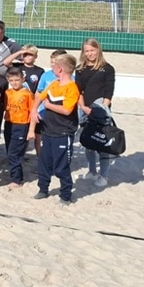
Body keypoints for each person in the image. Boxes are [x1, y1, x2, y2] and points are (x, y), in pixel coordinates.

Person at [28, 53, 80, 205]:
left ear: (60, 69)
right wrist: (34, 110)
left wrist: (49, 105)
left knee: (61, 165)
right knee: (44, 162)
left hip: (63, 132)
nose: (52, 68)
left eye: (55, 66)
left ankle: (65, 195)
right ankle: (43, 189)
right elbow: (39, 96)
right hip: (48, 129)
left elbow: (66, 110)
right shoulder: (54, 84)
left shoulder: (71, 87)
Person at [76, 38, 116, 188]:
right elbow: (78, 91)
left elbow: (108, 93)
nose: (90, 53)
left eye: (92, 50)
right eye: (87, 51)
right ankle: (92, 171)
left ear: (98, 50)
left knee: (102, 143)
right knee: (88, 142)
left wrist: (101, 110)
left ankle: (104, 175)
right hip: (85, 108)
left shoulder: (107, 68)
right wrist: (84, 107)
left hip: (100, 110)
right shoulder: (80, 69)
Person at [4, 66, 34, 188]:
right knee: (9, 150)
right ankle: (15, 175)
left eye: (17, 80)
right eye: (11, 80)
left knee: (14, 153)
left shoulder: (27, 94)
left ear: (23, 79)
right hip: (9, 123)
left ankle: (17, 179)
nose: (14, 83)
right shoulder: (7, 93)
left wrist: (31, 130)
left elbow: (32, 113)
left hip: (21, 125)